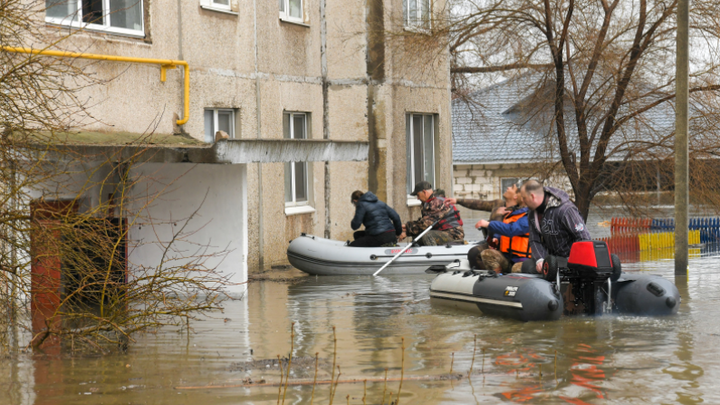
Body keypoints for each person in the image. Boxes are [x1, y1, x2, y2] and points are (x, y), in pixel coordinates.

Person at [518, 180, 591, 274]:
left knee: (553, 267)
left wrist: (574, 260)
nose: (522, 201)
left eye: (524, 198)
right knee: (527, 266)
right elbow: (534, 240)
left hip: (569, 260)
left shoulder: (565, 210)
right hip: (550, 260)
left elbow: (584, 237)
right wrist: (540, 260)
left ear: (532, 196)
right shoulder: (532, 214)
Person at [446, 183, 523, 269]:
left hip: (506, 247)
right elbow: (479, 204)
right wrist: (457, 201)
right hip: (490, 242)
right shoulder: (498, 204)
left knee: (478, 253)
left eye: (512, 187)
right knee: (473, 252)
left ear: (516, 196)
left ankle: (498, 275)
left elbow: (512, 229)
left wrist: (498, 217)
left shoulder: (519, 212)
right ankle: (481, 277)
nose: (508, 187)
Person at [475, 196, 531, 274]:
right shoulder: (511, 213)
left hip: (524, 260)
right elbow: (504, 227)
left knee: (516, 268)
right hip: (508, 257)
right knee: (486, 254)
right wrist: (497, 238)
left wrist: (488, 224)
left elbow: (512, 229)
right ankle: (498, 278)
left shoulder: (529, 217)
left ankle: (510, 281)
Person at [403, 181, 464, 246]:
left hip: (453, 235)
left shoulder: (436, 203)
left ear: (424, 192)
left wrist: (407, 231)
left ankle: (433, 254)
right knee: (417, 236)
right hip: (445, 232)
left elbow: (425, 225)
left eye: (418, 195)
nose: (418, 198)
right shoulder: (434, 201)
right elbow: (423, 222)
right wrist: (407, 226)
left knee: (427, 235)